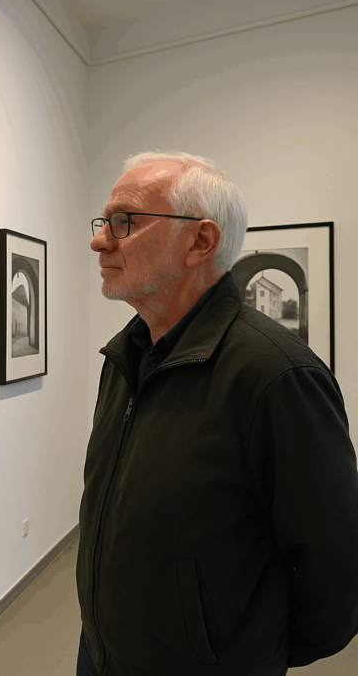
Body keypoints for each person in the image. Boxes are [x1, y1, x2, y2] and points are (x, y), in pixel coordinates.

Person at [77, 152, 358, 676]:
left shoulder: (276, 374)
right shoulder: (122, 358)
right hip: (100, 653)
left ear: (200, 242)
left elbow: (336, 570)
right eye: (104, 222)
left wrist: (249, 655)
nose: (100, 240)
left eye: (124, 221)